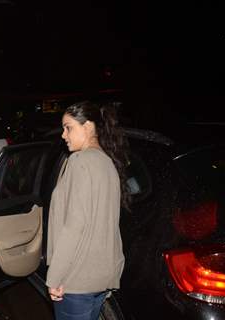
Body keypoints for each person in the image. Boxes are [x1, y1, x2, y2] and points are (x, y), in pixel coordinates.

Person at [46, 101, 129, 320]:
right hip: (101, 277)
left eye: (68, 127)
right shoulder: (108, 163)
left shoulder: (79, 161)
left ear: (88, 126)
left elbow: (74, 226)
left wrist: (54, 277)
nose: (64, 135)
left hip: (76, 280)